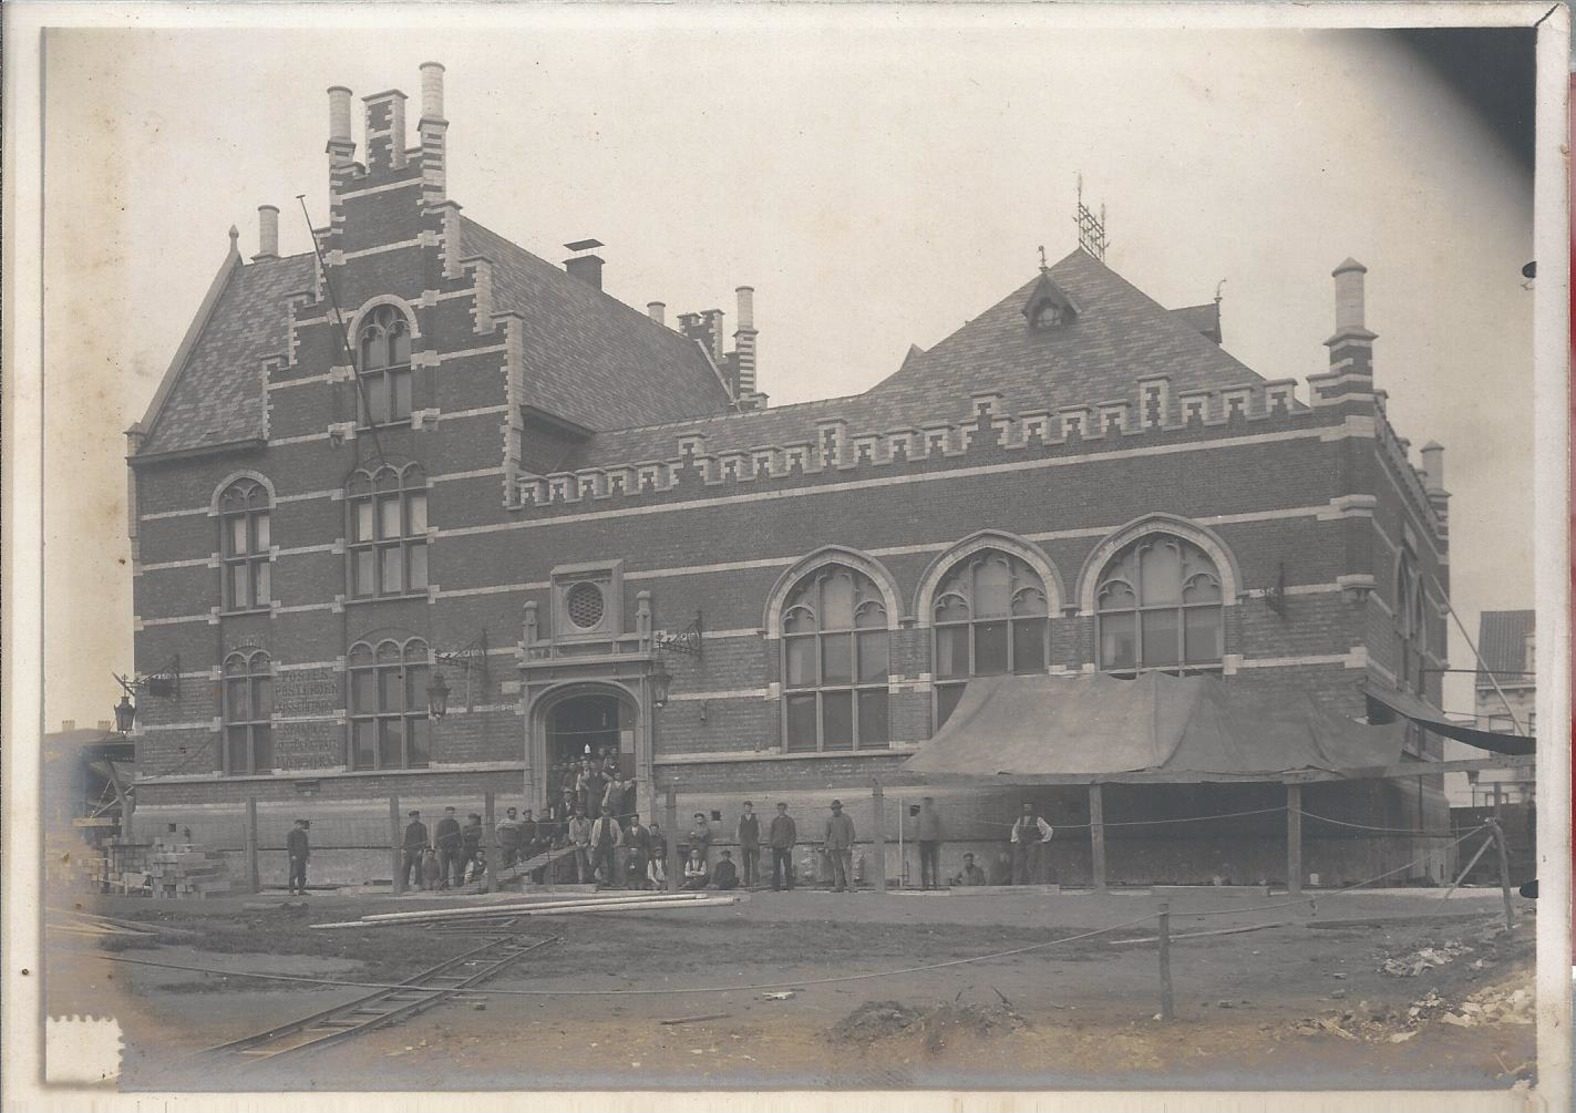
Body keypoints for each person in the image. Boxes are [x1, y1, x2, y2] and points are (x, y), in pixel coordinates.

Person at [1010, 802, 1055, 885]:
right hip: (1021, 845)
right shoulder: (1020, 819)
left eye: (1028, 808)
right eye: (1025, 808)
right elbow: (1014, 829)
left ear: (1032, 809)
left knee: (1031, 864)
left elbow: (1049, 830)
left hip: (1032, 844)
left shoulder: (1038, 819)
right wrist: (1016, 840)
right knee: (1018, 863)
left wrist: (1042, 841)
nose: (1027, 809)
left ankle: (1032, 884)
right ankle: (1016, 884)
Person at [823, 799, 856, 892]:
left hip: (844, 847)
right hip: (833, 847)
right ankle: (838, 887)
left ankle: (851, 887)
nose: (835, 810)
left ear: (840, 808)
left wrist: (850, 844)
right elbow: (826, 834)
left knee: (847, 868)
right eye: (833, 809)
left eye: (837, 808)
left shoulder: (847, 819)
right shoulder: (829, 820)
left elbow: (851, 832)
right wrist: (826, 846)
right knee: (837, 868)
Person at [590, 804, 623, 887]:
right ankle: (589, 878)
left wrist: (617, 844)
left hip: (609, 844)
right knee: (595, 862)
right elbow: (594, 834)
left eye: (607, 811)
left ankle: (610, 881)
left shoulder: (614, 822)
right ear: (601, 812)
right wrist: (593, 845)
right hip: (599, 844)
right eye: (604, 811)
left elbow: (619, 834)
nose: (605, 813)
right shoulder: (597, 821)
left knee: (610, 863)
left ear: (610, 812)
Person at [915, 796, 944, 890]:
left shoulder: (935, 815)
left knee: (934, 864)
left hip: (933, 841)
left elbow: (939, 828)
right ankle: (925, 885)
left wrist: (939, 839)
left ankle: (936, 884)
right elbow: (916, 827)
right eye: (924, 803)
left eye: (928, 803)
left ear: (931, 804)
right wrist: (917, 839)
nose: (926, 805)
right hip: (923, 842)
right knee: (924, 865)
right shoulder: (919, 815)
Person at [768, 801, 797, 891]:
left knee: (787, 867)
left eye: (782, 809)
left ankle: (790, 886)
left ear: (785, 809)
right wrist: (771, 845)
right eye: (779, 809)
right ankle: (775, 887)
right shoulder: (775, 821)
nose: (780, 811)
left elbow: (793, 834)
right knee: (776, 867)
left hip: (786, 847)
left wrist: (790, 846)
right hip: (776, 847)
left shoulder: (789, 820)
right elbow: (771, 834)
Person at [435, 806, 462, 889]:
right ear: (445, 813)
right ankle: (444, 885)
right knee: (444, 868)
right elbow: (438, 836)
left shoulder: (455, 823)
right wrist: (440, 847)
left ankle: (456, 884)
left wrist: (460, 845)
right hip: (444, 849)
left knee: (456, 867)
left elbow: (459, 835)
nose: (450, 815)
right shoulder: (441, 824)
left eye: (452, 813)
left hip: (454, 848)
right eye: (449, 813)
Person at [402, 810, 429, 891]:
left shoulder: (422, 827)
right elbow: (406, 839)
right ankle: (405, 884)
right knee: (406, 868)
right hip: (409, 851)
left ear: (418, 817)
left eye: (416, 817)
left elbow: (424, 839)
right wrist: (404, 849)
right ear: (410, 818)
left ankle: (418, 885)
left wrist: (421, 849)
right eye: (413, 817)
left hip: (417, 850)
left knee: (418, 868)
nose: (414, 819)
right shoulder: (409, 827)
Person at [736, 801, 761, 888]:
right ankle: (746, 881)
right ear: (744, 808)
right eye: (746, 807)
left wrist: (759, 838)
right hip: (744, 842)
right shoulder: (741, 818)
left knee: (755, 863)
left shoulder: (755, 817)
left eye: (749, 807)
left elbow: (759, 828)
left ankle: (756, 881)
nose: (747, 808)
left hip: (753, 842)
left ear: (751, 808)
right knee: (746, 863)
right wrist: (739, 839)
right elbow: (738, 829)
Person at [624, 812, 652, 889]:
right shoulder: (627, 830)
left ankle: (643, 881)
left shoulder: (643, 830)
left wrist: (640, 846)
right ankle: (629, 882)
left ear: (638, 820)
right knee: (629, 865)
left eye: (635, 820)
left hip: (640, 851)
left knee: (641, 865)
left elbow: (647, 841)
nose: (634, 821)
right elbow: (625, 840)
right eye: (632, 820)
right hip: (630, 850)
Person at [567, 805, 593, 884]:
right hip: (577, 844)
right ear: (576, 811)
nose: (580, 813)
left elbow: (590, 833)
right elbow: (571, 834)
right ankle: (581, 879)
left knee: (591, 860)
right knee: (580, 862)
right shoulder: (572, 822)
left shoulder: (588, 821)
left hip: (586, 844)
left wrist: (587, 842)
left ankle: (594, 877)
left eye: (581, 811)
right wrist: (576, 842)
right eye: (578, 811)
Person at [286, 819, 311, 896]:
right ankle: (291, 891)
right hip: (295, 857)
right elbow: (289, 846)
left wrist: (308, 856)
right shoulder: (291, 834)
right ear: (296, 825)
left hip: (302, 857)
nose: (301, 826)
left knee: (302, 874)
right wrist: (292, 855)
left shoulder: (304, 835)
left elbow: (306, 846)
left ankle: (301, 890)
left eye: (302, 824)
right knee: (293, 874)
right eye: (300, 824)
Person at [459, 813, 484, 883]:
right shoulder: (465, 827)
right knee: (461, 865)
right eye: (471, 819)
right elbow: (464, 836)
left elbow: (477, 836)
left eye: (474, 819)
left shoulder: (478, 828)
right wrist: (469, 834)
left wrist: (469, 834)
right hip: (466, 848)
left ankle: (476, 881)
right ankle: (460, 882)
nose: (472, 821)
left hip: (474, 848)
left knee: (477, 865)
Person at [647, 821, 670, 889]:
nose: (653, 831)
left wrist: (662, 856)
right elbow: (647, 848)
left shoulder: (662, 839)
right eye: (652, 829)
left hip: (661, 858)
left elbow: (665, 849)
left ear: (657, 830)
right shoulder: (648, 839)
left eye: (655, 829)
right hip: (651, 857)